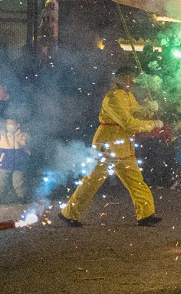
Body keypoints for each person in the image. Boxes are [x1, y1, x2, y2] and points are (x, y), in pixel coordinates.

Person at [59, 66, 165, 227]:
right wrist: (153, 124)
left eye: (132, 79)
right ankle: (68, 214)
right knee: (91, 181)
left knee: (136, 181)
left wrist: (147, 109)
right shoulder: (113, 98)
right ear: (120, 79)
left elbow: (135, 113)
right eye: (129, 79)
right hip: (107, 145)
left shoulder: (127, 95)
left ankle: (146, 214)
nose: (132, 82)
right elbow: (128, 123)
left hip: (124, 146)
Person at [0, 119, 29, 204]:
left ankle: (22, 197)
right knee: (0, 179)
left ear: (17, 125)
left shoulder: (23, 134)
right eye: (8, 124)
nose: (10, 126)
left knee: (19, 180)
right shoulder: (2, 133)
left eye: (12, 124)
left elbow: (27, 143)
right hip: (5, 159)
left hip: (18, 160)